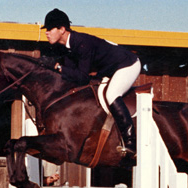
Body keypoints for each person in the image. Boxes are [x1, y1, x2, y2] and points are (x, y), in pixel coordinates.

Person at [40, 8, 141, 157]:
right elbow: (71, 76)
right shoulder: (68, 47)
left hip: (127, 64)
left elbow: (81, 77)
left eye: (49, 29)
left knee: (112, 94)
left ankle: (131, 142)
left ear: (62, 29)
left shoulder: (81, 43)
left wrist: (58, 67)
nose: (46, 32)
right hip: (110, 69)